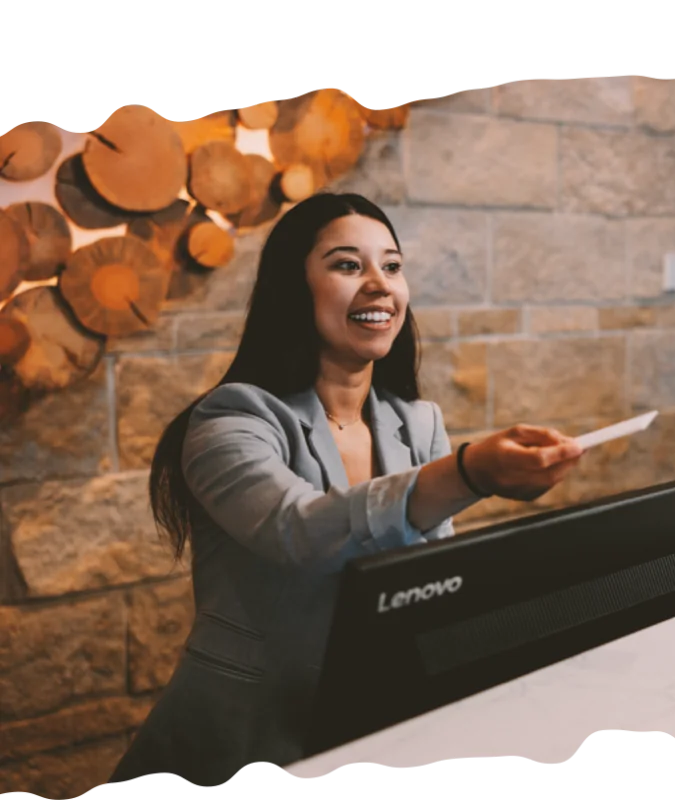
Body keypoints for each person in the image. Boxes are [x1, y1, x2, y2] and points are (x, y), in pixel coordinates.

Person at [109, 193, 585, 788]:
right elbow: (301, 530)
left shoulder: (418, 424)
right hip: (237, 743)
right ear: (293, 287)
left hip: (372, 727)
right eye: (347, 265)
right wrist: (469, 474)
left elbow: (432, 584)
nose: (379, 286)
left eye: (391, 266)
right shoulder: (228, 421)